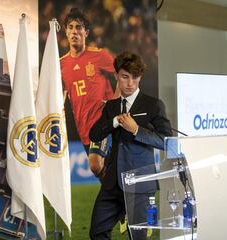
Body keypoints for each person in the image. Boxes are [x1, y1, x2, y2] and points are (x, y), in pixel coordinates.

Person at [89, 51, 172, 239]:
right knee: (97, 232)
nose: (130, 83)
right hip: (111, 183)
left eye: (135, 78)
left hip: (140, 183)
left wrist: (136, 130)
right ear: (116, 75)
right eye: (125, 77)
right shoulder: (111, 106)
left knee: (138, 237)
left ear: (140, 77)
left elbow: (167, 141)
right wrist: (114, 122)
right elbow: (94, 134)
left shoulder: (153, 105)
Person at [60, 8, 119, 177]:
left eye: (79, 27)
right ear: (66, 31)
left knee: (94, 164)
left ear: (86, 32)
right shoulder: (61, 64)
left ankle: (116, 195)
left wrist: (115, 101)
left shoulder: (99, 55)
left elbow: (122, 74)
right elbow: (61, 93)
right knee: (103, 171)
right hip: (82, 127)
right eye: (70, 27)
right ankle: (118, 197)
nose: (74, 31)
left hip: (103, 121)